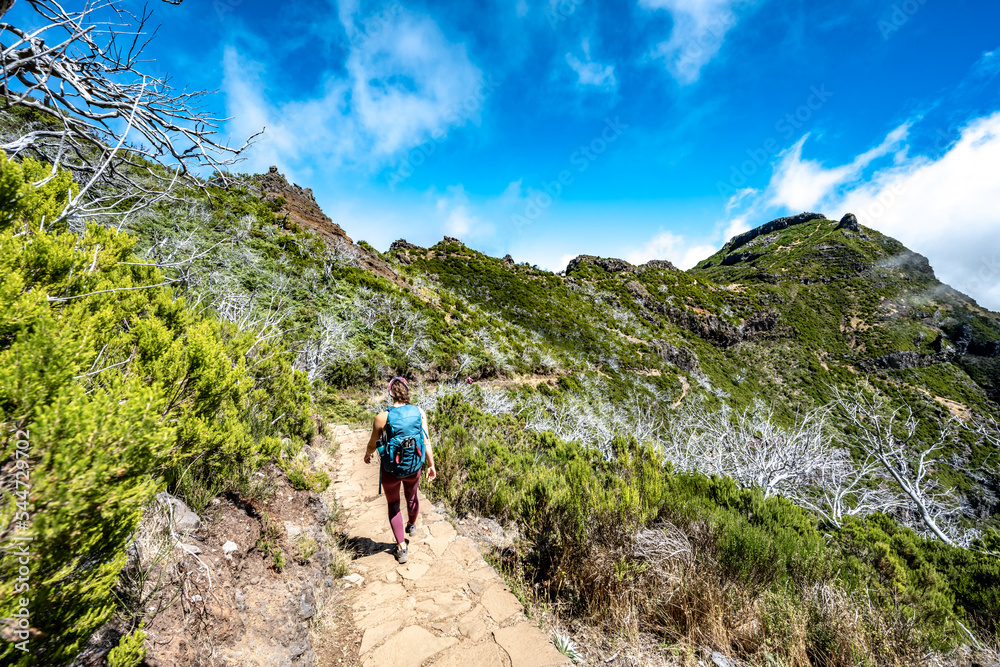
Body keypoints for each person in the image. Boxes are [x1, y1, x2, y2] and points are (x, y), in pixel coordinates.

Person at [364, 377, 436, 564]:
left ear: (390, 393)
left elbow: (373, 443)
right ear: (407, 391)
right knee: (412, 497)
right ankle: (411, 525)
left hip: (391, 470)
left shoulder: (382, 416)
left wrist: (367, 454)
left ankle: (401, 548)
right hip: (414, 466)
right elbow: (426, 441)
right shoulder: (419, 412)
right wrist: (431, 465)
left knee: (394, 504)